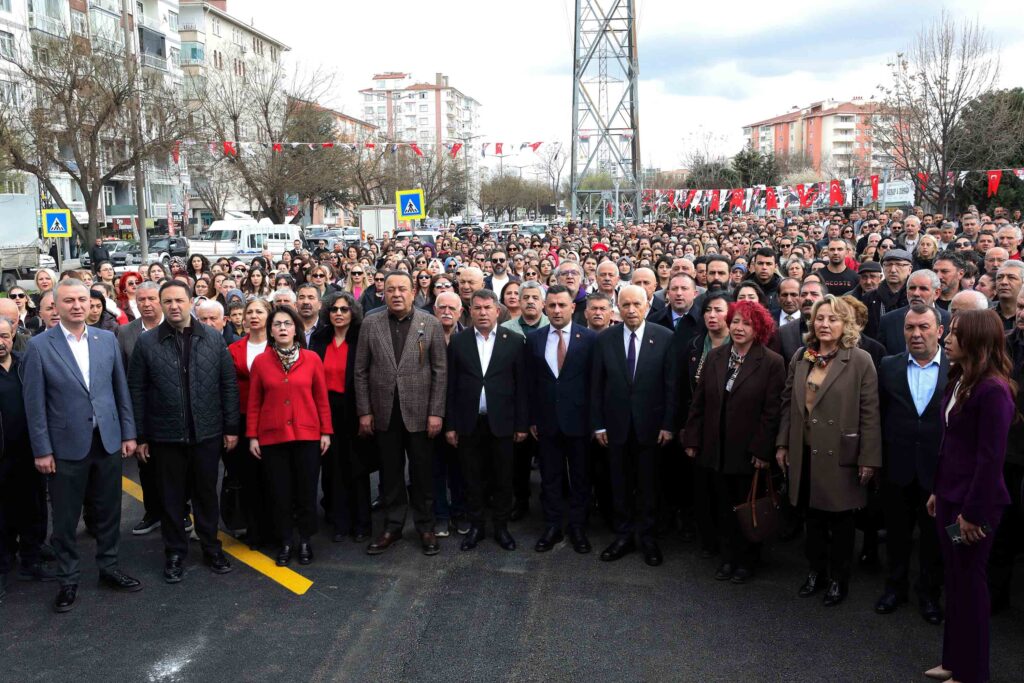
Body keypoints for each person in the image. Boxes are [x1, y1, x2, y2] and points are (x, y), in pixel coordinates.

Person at [23, 278, 141, 613]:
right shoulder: (39, 346)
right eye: (69, 301)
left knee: (108, 511)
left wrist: (128, 433)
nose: (77, 306)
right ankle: (68, 579)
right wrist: (42, 450)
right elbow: (35, 405)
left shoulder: (106, 340)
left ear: (91, 304)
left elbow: (120, 390)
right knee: (65, 519)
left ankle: (109, 567)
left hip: (106, 441)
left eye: (82, 300)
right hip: (64, 447)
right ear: (56, 307)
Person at [924, 309, 1015, 683]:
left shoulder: (994, 390)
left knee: (971, 585)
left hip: (976, 506)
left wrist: (973, 514)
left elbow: (990, 460)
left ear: (976, 341)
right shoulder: (960, 380)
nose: (947, 338)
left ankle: (972, 672)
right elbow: (952, 445)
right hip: (950, 496)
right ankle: (953, 661)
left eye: (956, 334)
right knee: (956, 581)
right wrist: (937, 490)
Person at [127, 280, 239, 583]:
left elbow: (227, 385)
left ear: (191, 302)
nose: (174, 306)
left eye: (179, 300)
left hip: (207, 433)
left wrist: (230, 427)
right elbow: (136, 390)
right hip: (165, 437)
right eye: (168, 302)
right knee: (171, 499)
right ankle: (174, 552)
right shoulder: (148, 343)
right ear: (162, 306)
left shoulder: (213, 340)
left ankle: (211, 547)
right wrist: (141, 435)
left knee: (206, 494)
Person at [776, 294, 881, 607]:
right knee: (812, 517)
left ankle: (839, 578)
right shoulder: (801, 355)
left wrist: (869, 459)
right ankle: (815, 572)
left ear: (845, 323)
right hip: (805, 450)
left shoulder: (859, 359)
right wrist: (782, 442)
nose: (824, 324)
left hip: (841, 453)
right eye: (820, 318)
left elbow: (870, 413)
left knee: (841, 520)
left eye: (833, 319)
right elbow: (787, 405)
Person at [683, 301, 785, 583]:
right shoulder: (716, 356)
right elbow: (699, 401)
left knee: (746, 506)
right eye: (736, 321)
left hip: (748, 451)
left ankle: (747, 560)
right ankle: (728, 557)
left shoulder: (772, 362)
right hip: (715, 448)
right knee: (722, 506)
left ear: (760, 329)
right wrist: (692, 437)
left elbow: (772, 411)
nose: (739, 328)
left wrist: (762, 450)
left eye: (747, 324)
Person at [354, 271, 448, 556]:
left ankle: (426, 526)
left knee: (422, 474)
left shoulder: (429, 323)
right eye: (391, 289)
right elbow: (360, 371)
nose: (396, 294)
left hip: (420, 413)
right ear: (383, 292)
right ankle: (392, 527)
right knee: (390, 473)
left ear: (412, 292)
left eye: (402, 289)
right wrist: (365, 412)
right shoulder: (371, 323)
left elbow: (440, 372)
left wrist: (436, 413)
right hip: (384, 413)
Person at [592, 285, 676, 567]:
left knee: (649, 484)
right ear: (617, 306)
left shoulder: (664, 337)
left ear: (646, 306)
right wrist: (598, 425)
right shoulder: (605, 339)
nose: (630, 310)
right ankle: (624, 535)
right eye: (625, 305)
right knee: (620, 483)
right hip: (615, 427)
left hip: (651, 427)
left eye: (636, 305)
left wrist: (668, 423)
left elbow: (671, 385)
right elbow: (596, 386)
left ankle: (648, 537)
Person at [874, 305, 948, 624]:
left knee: (933, 538)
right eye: (910, 328)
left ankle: (929, 595)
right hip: (897, 465)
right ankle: (895, 588)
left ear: (940, 331)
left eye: (924, 327)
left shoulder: (956, 368)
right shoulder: (888, 366)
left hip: (939, 469)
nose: (916, 334)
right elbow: (877, 413)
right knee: (897, 533)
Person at [248, 306, 332, 566]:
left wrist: (326, 432)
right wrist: (252, 436)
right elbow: (254, 402)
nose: (282, 328)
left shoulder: (312, 359)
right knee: (280, 493)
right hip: (272, 438)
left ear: (296, 329)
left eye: (287, 323)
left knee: (306, 491)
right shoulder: (261, 362)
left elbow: (321, 398)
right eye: (277, 324)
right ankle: (285, 540)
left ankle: (305, 539)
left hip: (307, 436)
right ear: (270, 330)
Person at [445, 289, 528, 551]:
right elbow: (451, 386)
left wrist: (522, 424)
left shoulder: (514, 341)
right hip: (469, 422)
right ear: (470, 312)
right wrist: (451, 425)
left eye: (487, 308)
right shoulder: (459, 342)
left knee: (503, 477)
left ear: (497, 311)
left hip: (502, 422)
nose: (482, 313)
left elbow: (522, 387)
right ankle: (477, 527)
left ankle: (501, 528)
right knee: (472, 477)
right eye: (477, 308)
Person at [525, 285, 597, 553]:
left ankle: (577, 527)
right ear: (545, 307)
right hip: (546, 422)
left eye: (561, 305)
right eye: (552, 305)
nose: (556, 310)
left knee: (580, 478)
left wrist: (594, 420)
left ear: (573, 307)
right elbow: (530, 383)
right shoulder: (535, 339)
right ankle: (553, 526)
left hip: (580, 422)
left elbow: (595, 384)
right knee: (550, 478)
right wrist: (531, 418)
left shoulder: (589, 339)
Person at [309, 292, 371, 544]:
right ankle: (339, 520)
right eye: (334, 309)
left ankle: (362, 522)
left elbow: (367, 373)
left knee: (356, 466)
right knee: (332, 468)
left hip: (354, 408)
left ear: (352, 312)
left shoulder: (361, 337)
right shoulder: (320, 337)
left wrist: (367, 412)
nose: (338, 313)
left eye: (344, 309)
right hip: (325, 409)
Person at [0, 318, 54, 601]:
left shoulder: (25, 363)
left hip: (30, 452)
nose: (0, 343)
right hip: (2, 457)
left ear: (12, 337)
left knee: (32, 510)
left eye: (4, 337)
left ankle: (31, 561)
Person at [114, 281, 165, 535]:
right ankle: (153, 512)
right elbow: (122, 377)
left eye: (151, 299)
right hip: (141, 410)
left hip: (171, 410)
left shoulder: (176, 325)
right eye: (141, 300)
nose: (146, 304)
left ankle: (180, 512)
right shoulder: (125, 333)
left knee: (176, 467)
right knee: (146, 466)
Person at [226, 299, 273, 549]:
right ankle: (254, 529)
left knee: (274, 477)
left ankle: (276, 527)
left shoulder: (280, 346)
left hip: (274, 419)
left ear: (269, 315)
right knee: (249, 478)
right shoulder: (234, 348)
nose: (254, 316)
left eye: (259, 311)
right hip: (244, 419)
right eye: (249, 312)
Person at [992, 287, 1024, 612]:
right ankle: (996, 594)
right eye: (1023, 306)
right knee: (1002, 527)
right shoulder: (1005, 343)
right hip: (1005, 451)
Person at [877, 270, 950, 355]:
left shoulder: (949, 320)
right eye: (912, 288)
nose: (916, 293)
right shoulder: (888, 320)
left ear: (936, 293)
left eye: (923, 289)